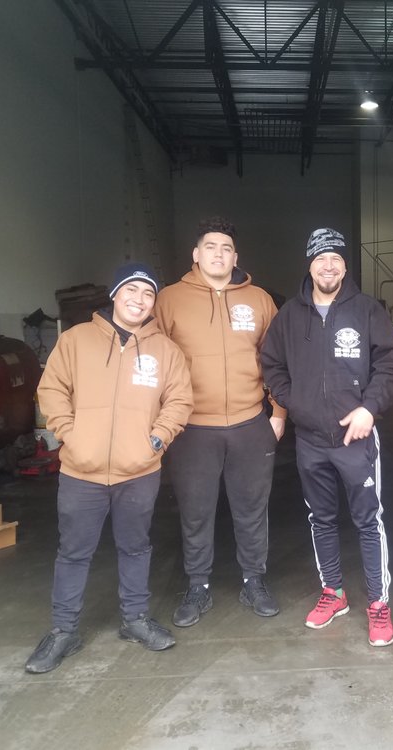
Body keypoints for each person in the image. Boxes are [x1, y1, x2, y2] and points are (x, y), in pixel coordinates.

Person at [25, 261, 193, 674]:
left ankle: (135, 619)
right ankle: (64, 631)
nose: (139, 299)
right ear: (115, 294)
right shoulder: (76, 340)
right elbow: (52, 389)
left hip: (139, 470)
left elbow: (179, 401)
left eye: (148, 294)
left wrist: (157, 439)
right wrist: (70, 433)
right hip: (81, 471)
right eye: (132, 290)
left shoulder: (165, 350)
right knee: (73, 552)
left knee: (136, 547)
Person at [260, 228, 393, 647]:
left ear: (345, 266)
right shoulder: (290, 315)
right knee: (320, 519)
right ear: (310, 265)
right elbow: (271, 363)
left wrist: (369, 408)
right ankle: (333, 592)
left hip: (356, 438)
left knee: (368, 521)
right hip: (310, 439)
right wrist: (295, 403)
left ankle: (378, 603)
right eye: (321, 258)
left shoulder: (367, 310)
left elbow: (391, 364)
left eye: (336, 259)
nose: (328, 266)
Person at [154, 217, 284, 627]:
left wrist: (278, 414)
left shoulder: (259, 299)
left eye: (226, 248)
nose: (218, 254)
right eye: (210, 247)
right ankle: (198, 585)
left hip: (250, 423)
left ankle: (254, 580)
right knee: (196, 511)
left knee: (252, 509)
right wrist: (160, 422)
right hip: (192, 426)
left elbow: (278, 360)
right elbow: (152, 360)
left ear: (235, 257)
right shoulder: (169, 300)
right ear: (196, 254)